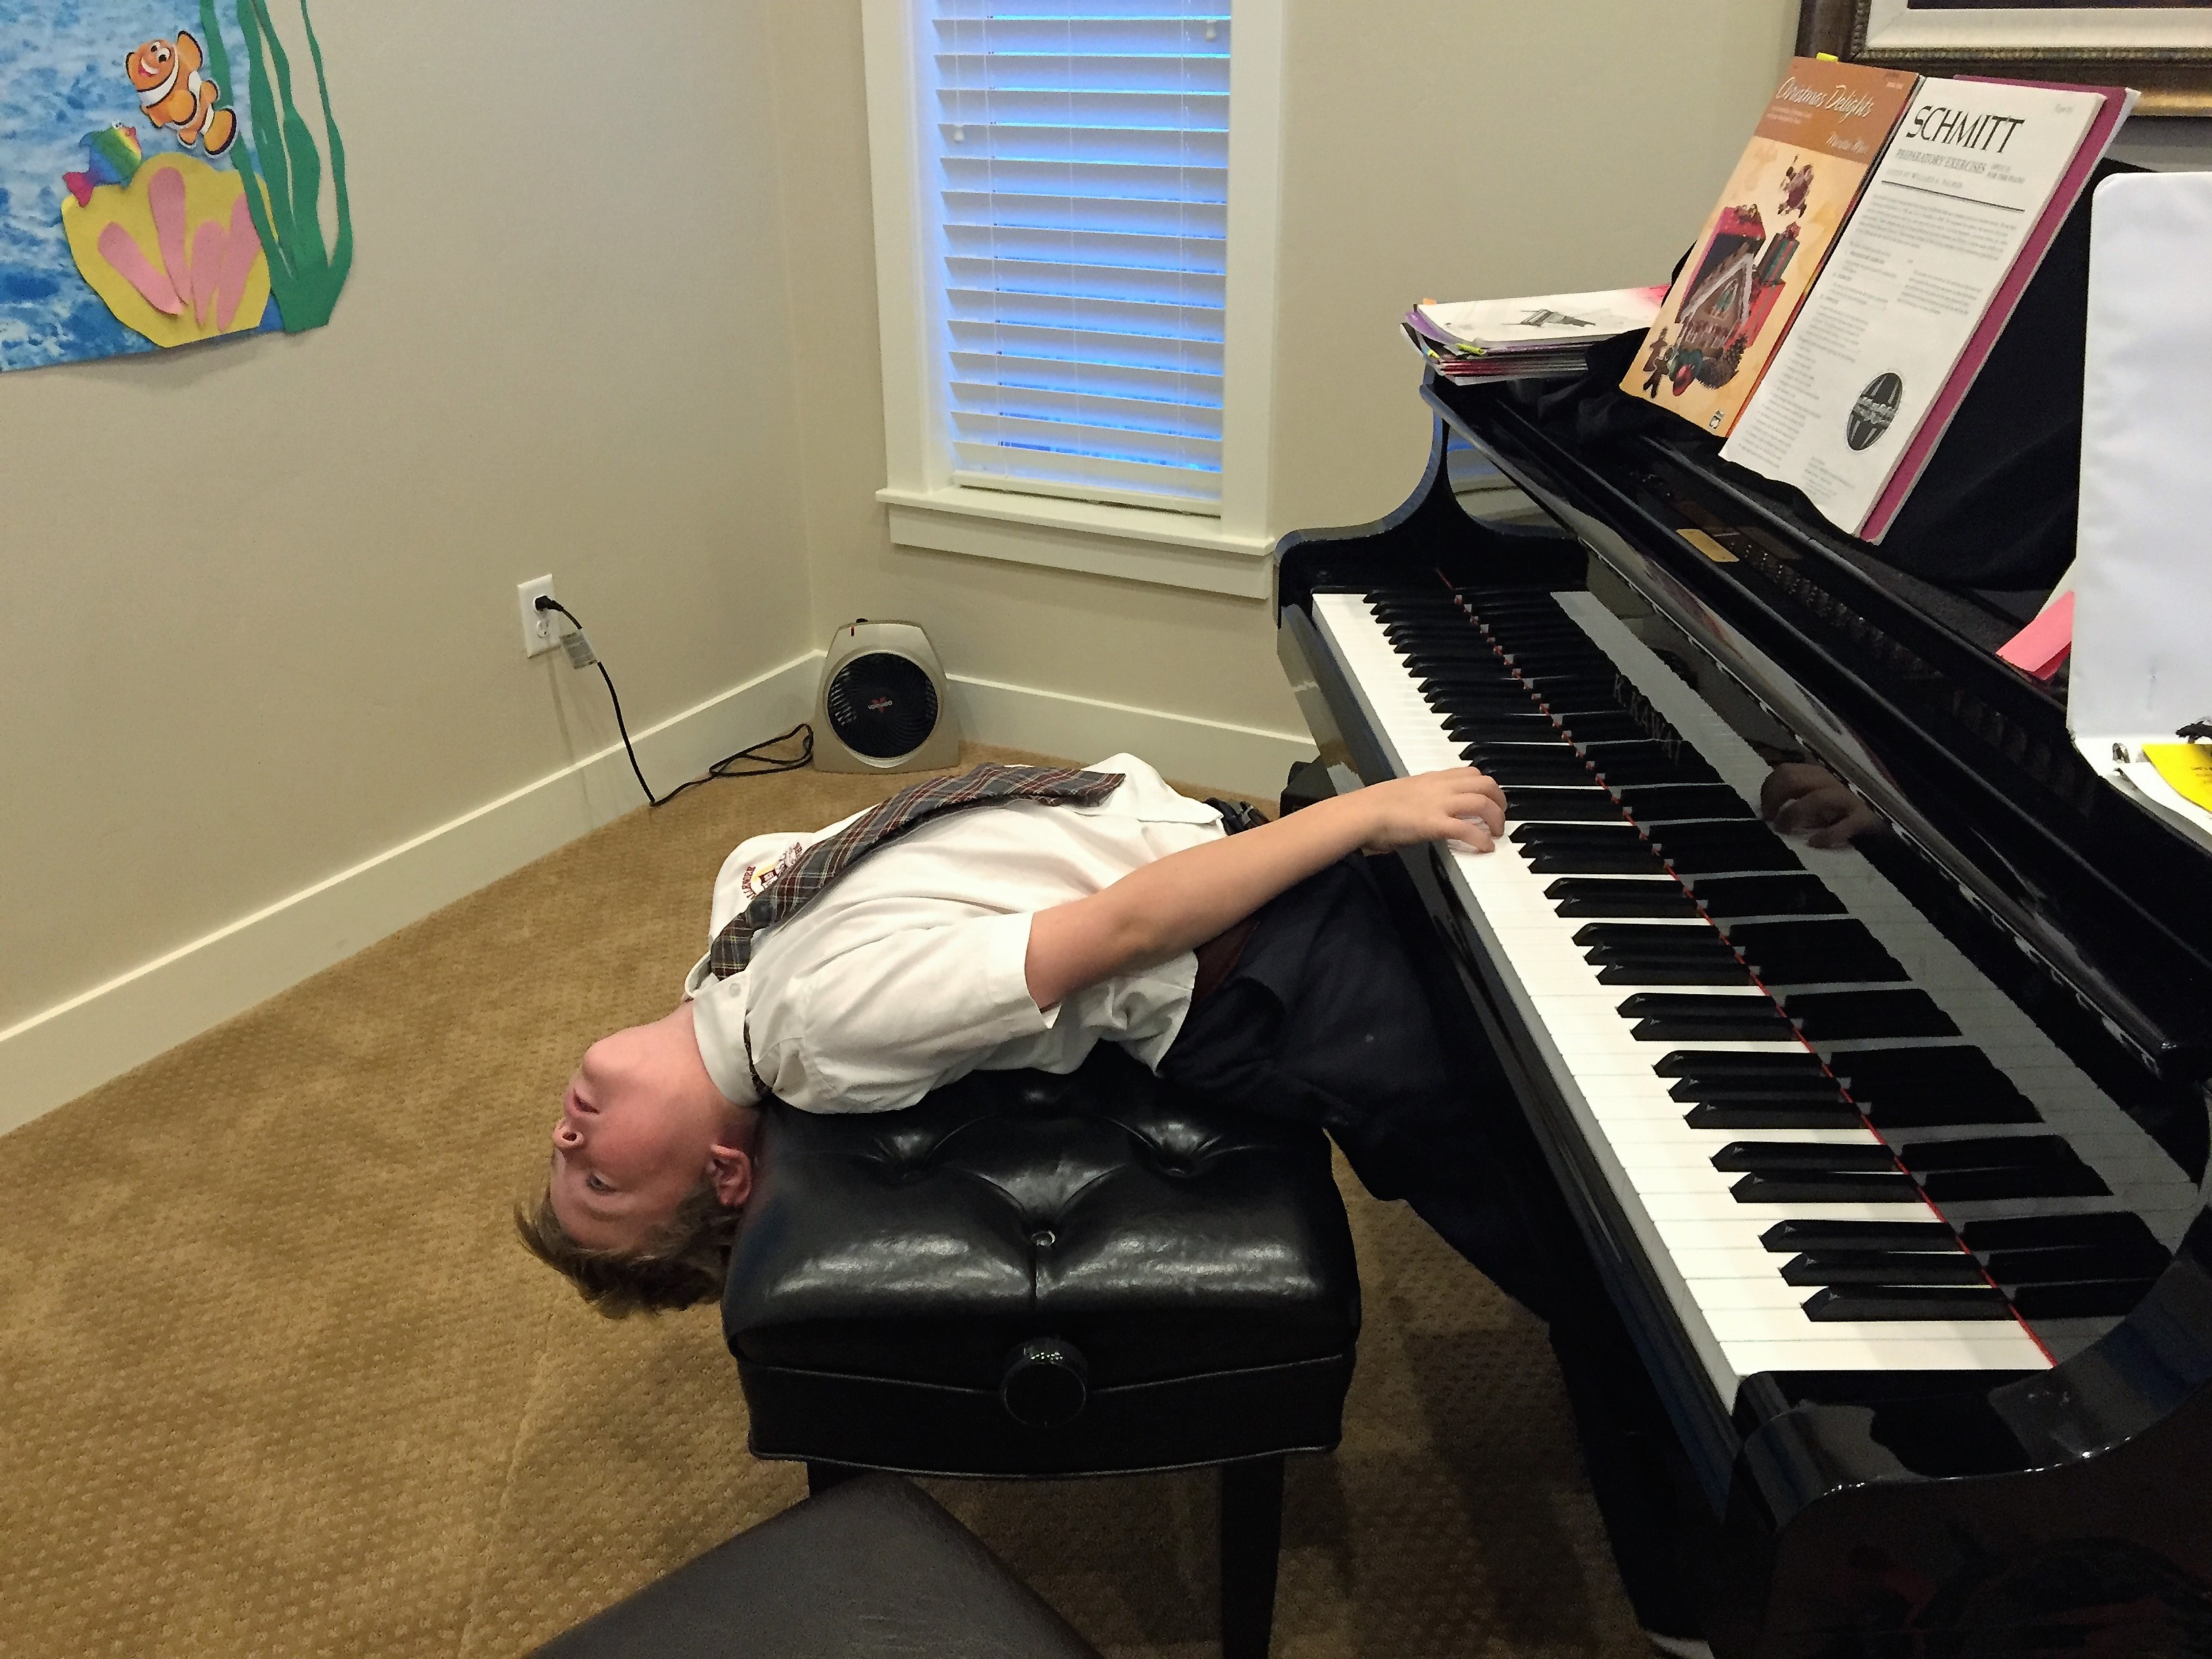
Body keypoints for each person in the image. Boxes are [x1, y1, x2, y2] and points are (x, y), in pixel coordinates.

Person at [517, 754, 1504, 1313]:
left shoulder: (735, 935)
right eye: (603, 1182)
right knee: (1520, 1143)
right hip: (1256, 971)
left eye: (564, 1161)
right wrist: (1361, 814)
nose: (567, 1137)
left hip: (1219, 856)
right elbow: (1124, 929)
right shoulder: (821, 1030)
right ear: (726, 1173)